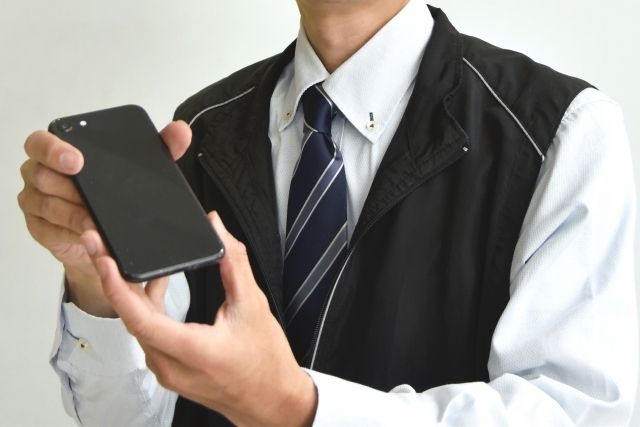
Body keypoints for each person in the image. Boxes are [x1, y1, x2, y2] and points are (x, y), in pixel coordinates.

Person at [17, 0, 638, 425]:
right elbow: (133, 415)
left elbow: (570, 414)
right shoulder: (202, 129)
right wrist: (98, 290)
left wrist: (296, 407)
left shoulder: (561, 134)